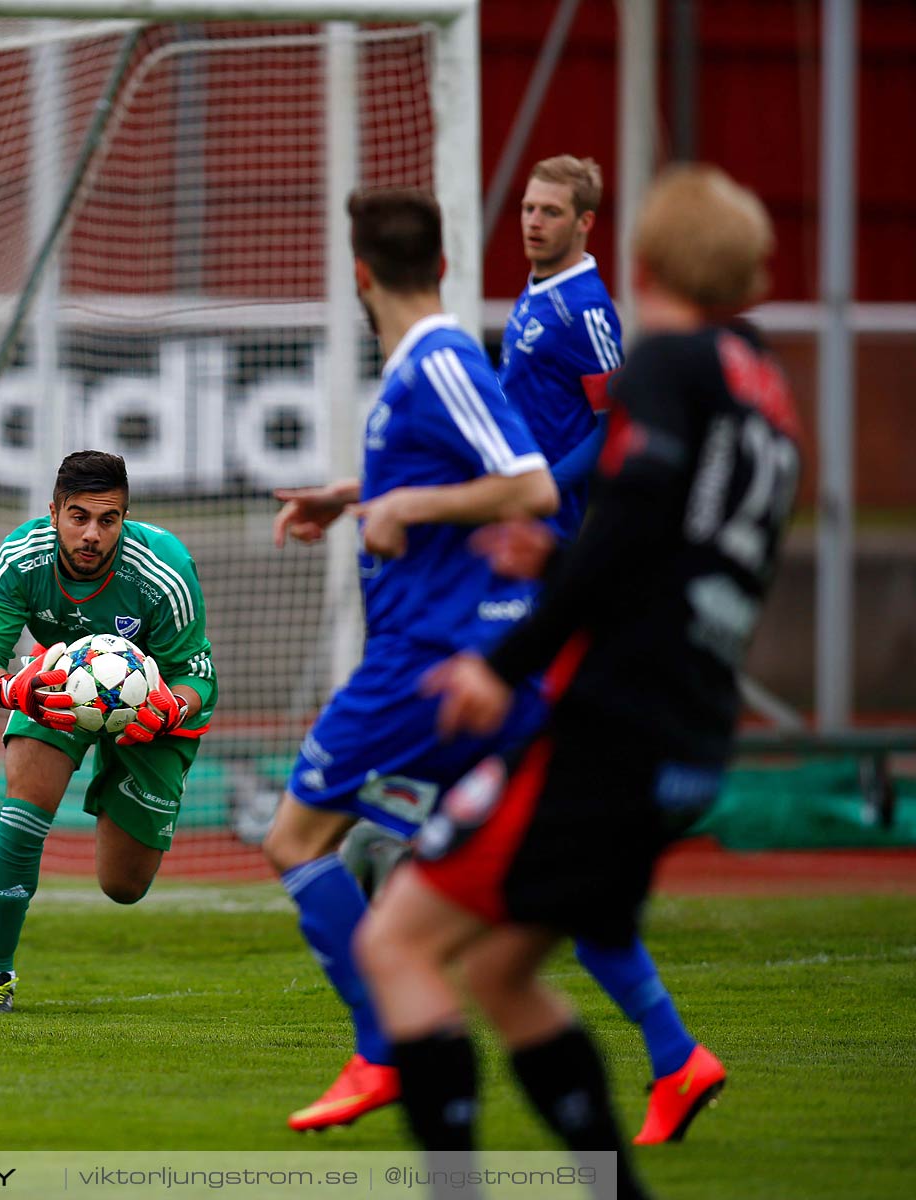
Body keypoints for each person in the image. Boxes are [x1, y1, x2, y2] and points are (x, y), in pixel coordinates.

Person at [355, 165, 798, 1200]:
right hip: (693, 728)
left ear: (636, 259)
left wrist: (502, 665)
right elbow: (678, 551)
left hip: (618, 726)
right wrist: (557, 565)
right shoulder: (761, 381)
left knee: (398, 939)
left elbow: (631, 522)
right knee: (503, 970)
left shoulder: (664, 364)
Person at [264, 188, 558, 1131]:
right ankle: (668, 1055)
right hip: (438, 657)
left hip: (420, 662)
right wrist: (356, 497)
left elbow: (532, 484)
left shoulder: (438, 357)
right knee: (499, 909)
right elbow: (444, 475)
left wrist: (403, 510)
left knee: (295, 839)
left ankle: (383, 1048)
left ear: (359, 275)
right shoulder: (419, 367)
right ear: (440, 262)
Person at [502, 153, 723, 1144]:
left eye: (553, 210)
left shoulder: (587, 307)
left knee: (529, 837)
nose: (535, 221)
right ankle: (675, 1056)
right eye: (529, 207)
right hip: (531, 556)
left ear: (590, 222)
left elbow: (610, 426)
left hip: (561, 563)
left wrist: (544, 487)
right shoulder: (533, 292)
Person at [0, 450, 216, 1012]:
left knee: (123, 886)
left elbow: (199, 676)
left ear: (125, 517)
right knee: (24, 803)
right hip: (55, 686)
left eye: (108, 519)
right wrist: (11, 689)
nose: (92, 534)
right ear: (53, 513)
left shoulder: (162, 568)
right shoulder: (20, 560)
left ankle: (125, 793)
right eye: (78, 518)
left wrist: (171, 709)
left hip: (153, 706)